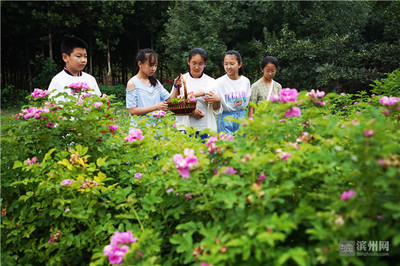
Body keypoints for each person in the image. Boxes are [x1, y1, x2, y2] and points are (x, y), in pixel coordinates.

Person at [172, 48, 222, 139]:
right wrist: (191, 112)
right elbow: (173, 105)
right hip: (185, 128)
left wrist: (217, 101)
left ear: (205, 64)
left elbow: (216, 109)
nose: (196, 67)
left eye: (200, 64)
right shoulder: (181, 80)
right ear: (188, 61)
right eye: (194, 63)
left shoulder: (211, 82)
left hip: (205, 129)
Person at [126, 48, 179, 129]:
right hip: (140, 129)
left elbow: (170, 101)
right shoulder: (132, 83)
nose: (154, 68)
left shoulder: (156, 82)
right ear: (140, 64)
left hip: (156, 127)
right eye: (151, 65)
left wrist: (176, 87)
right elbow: (132, 111)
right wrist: (156, 107)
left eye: (156, 65)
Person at [48, 37, 101, 102]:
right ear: (65, 57)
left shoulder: (90, 79)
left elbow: (98, 103)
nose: (83, 60)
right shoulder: (58, 81)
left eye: (85, 56)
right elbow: (54, 109)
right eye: (78, 56)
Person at [216, 50, 251, 134]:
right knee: (226, 144)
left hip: (241, 116)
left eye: (232, 64)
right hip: (226, 117)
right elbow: (206, 90)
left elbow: (247, 101)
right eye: (226, 64)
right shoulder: (219, 82)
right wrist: (191, 95)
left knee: (241, 144)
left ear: (239, 64)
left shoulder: (245, 81)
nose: (228, 67)